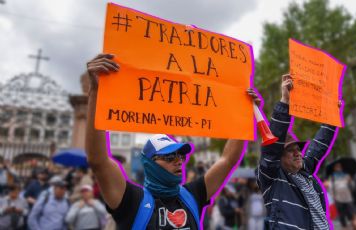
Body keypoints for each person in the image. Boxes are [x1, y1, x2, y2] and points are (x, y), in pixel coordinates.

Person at [85, 53, 257, 229]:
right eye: (169, 157)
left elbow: (228, 160)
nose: (178, 161)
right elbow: (99, 161)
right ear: (149, 164)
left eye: (180, 156)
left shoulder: (192, 195)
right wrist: (96, 92)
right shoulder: (130, 201)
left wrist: (245, 114)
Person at [255, 74, 339, 229]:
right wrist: (285, 102)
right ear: (278, 158)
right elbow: (271, 148)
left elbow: (319, 146)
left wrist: (332, 116)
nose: (298, 153)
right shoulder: (272, 178)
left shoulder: (304, 171)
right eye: (290, 150)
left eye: (298, 149)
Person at [329, 162, 354, 229]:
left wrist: (350, 181)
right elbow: (331, 187)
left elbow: (352, 186)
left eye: (339, 167)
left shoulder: (346, 175)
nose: (338, 168)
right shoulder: (333, 177)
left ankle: (353, 224)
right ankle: (344, 226)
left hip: (348, 197)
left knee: (350, 211)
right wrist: (333, 197)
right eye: (337, 167)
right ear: (334, 168)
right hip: (338, 198)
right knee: (341, 213)